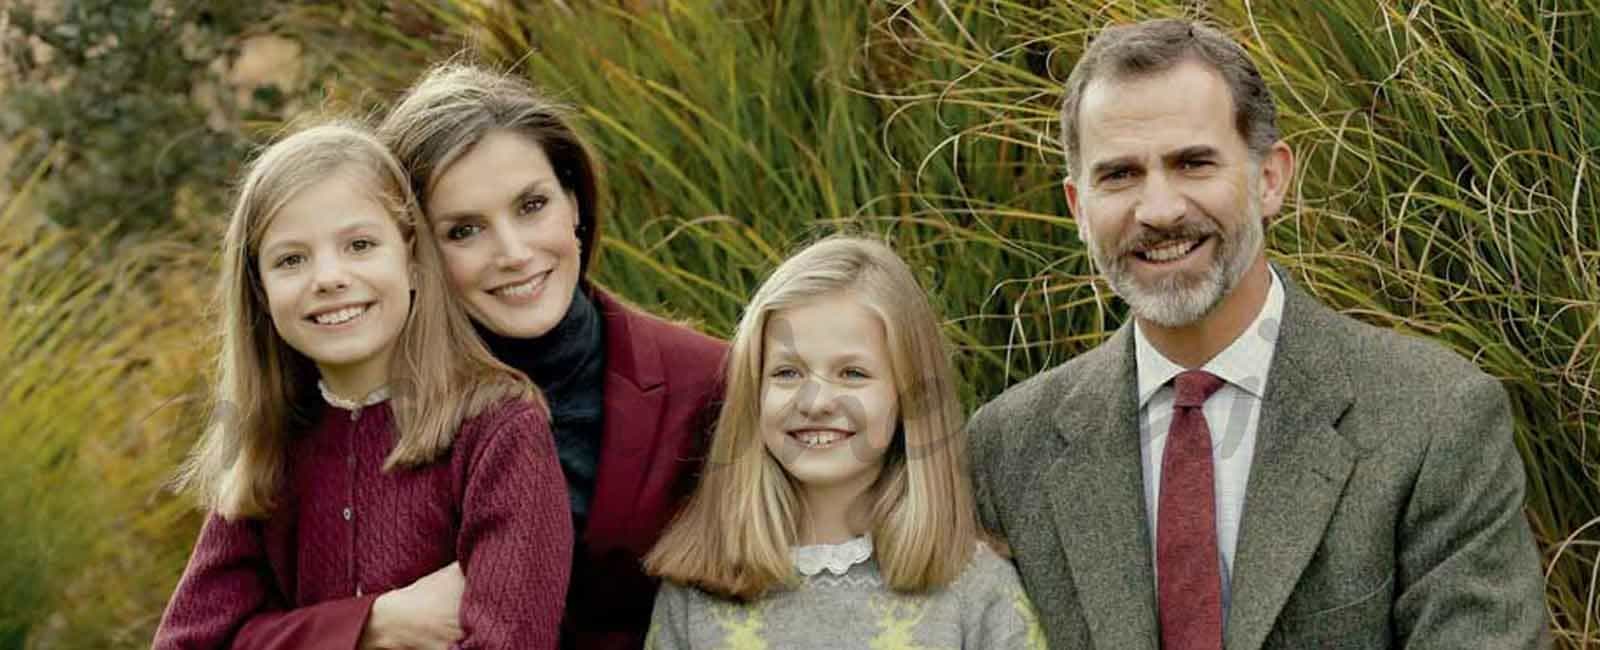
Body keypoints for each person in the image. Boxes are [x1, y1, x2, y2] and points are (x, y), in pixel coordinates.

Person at [965, 18, 1548, 649]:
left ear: (1270, 179)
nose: (1159, 210)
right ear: (1079, 208)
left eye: (1193, 163)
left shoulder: (1434, 420)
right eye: (1120, 175)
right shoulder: (1006, 450)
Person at [227, 65, 727, 650]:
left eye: (532, 205)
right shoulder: (336, 409)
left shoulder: (712, 381)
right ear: (410, 250)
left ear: (575, 203)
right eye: (464, 231)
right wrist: (374, 622)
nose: (514, 253)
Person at [151, 122, 572, 649]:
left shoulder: (497, 429)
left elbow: (511, 642)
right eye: (291, 260)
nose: (328, 278)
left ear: (415, 261)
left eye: (360, 244)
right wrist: (368, 624)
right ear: (260, 293)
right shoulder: (270, 446)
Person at [642, 236, 1045, 649]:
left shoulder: (978, 590)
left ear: (910, 397)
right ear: (752, 393)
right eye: (787, 373)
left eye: (852, 373)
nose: (815, 402)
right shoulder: (695, 596)